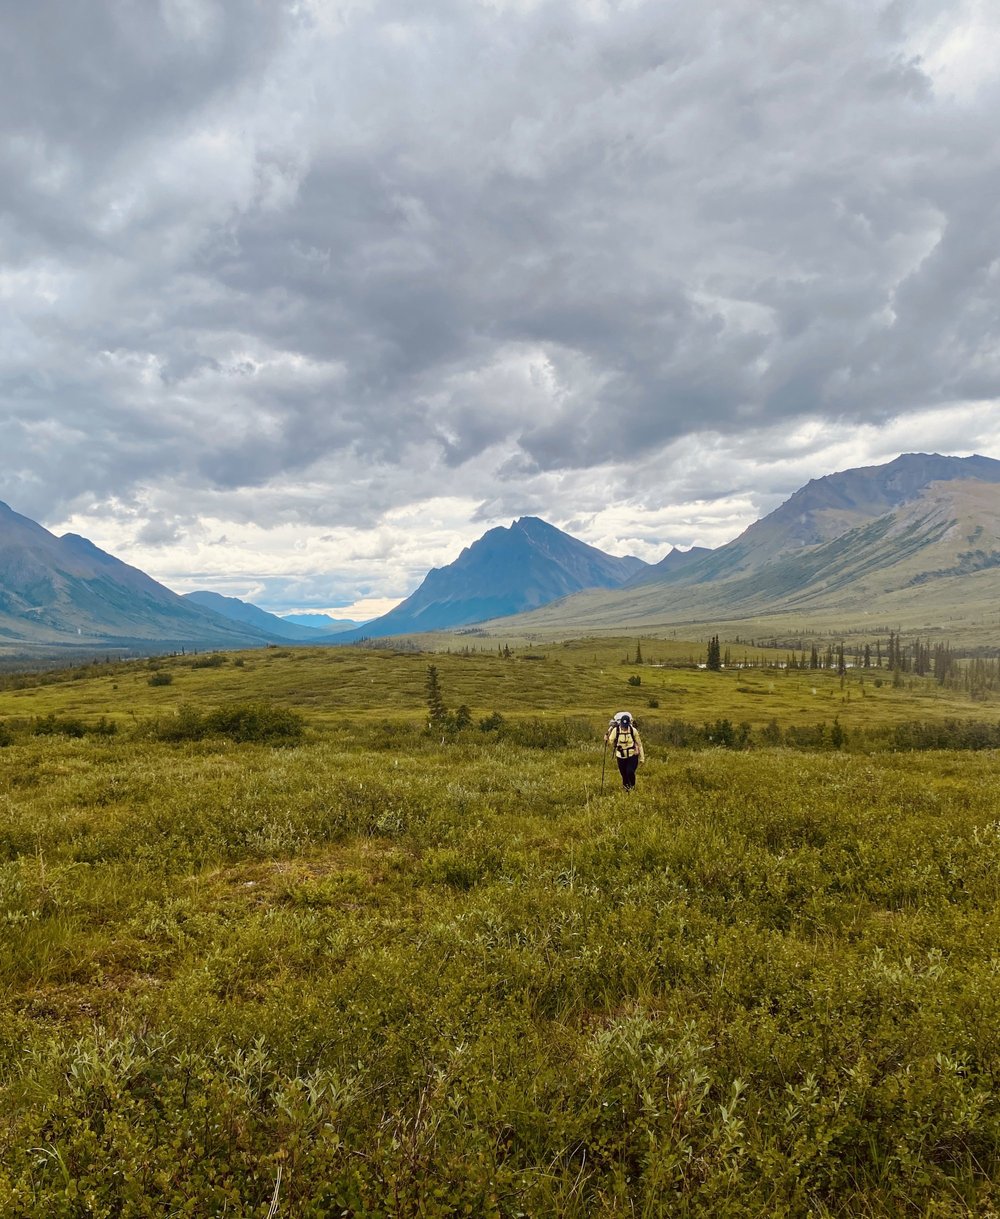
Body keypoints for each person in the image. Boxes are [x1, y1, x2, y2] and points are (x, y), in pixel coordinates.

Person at [605, 710, 644, 791]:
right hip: (620, 756)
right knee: (624, 775)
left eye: (626, 726)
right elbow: (610, 742)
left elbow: (639, 744)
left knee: (630, 772)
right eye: (623, 726)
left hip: (632, 755)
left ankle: (632, 787)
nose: (624, 728)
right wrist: (607, 740)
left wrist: (642, 758)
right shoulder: (616, 730)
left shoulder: (633, 730)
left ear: (629, 724)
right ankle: (627, 791)